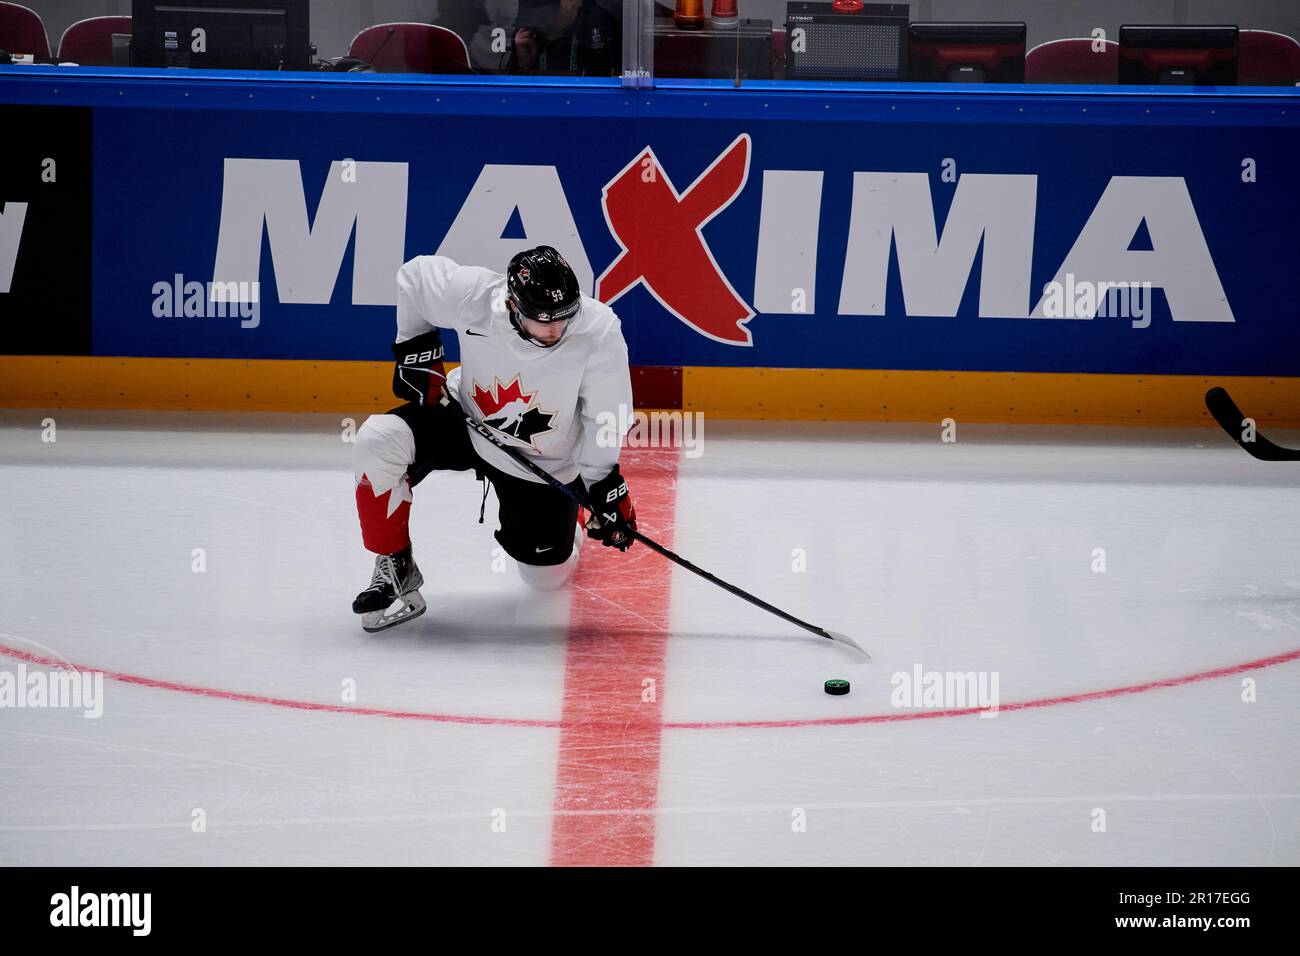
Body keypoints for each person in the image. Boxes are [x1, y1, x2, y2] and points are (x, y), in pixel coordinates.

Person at [350, 246, 637, 632]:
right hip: (465, 419)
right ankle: (395, 565)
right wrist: (415, 349)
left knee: (544, 580)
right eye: (543, 321)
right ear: (514, 305)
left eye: (565, 319)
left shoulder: (598, 331)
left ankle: (575, 524)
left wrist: (600, 483)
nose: (556, 331)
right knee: (377, 440)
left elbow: (605, 416)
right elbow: (414, 278)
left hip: (540, 462)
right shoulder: (476, 296)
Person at [508, 0, 621, 76]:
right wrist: (524, 65)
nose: (539, 25)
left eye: (546, 15)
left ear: (571, 3)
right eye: (533, 17)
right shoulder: (527, 38)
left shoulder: (598, 25)